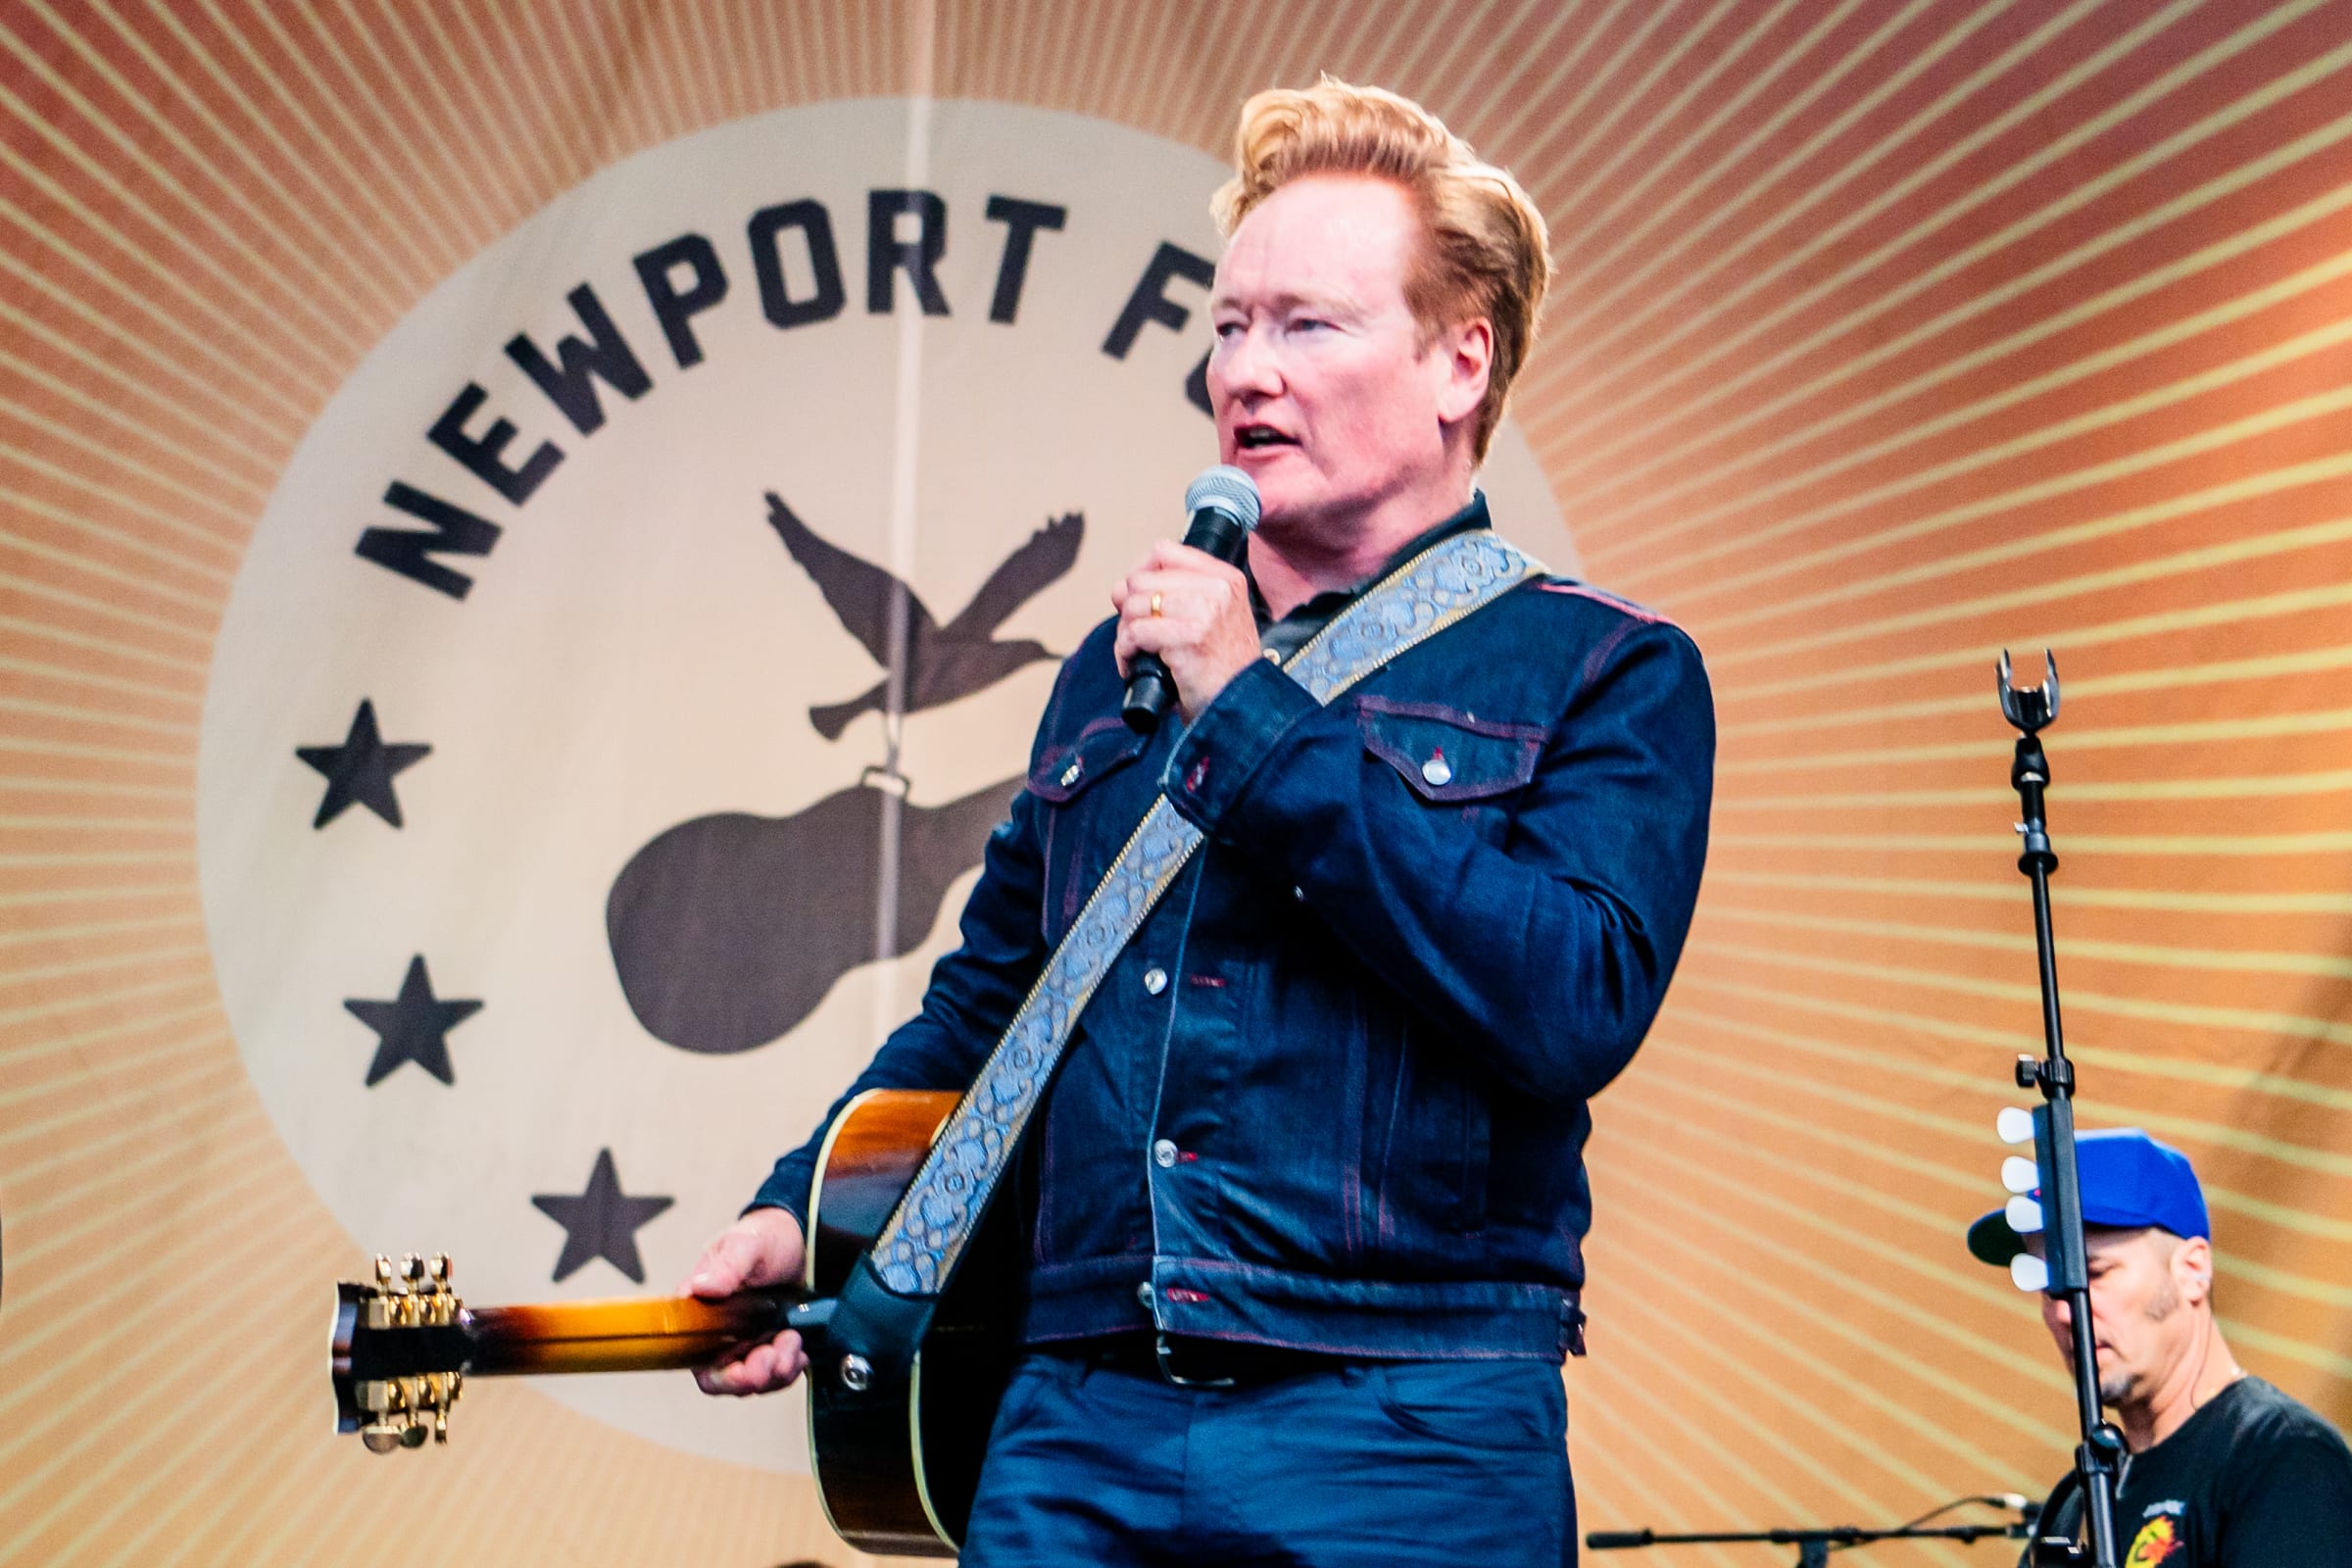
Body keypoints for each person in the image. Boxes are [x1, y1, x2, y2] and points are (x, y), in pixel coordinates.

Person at [687, 77, 1715, 1566]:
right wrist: (802, 1215)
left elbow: (1569, 1005)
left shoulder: (1605, 671)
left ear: (1459, 361)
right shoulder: (1109, 692)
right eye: (1230, 324)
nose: (1247, 371)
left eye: (1309, 325)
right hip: (1076, 1423)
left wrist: (1249, 714)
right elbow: (988, 1016)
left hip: (1406, 1426)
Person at [1967, 1127, 2352, 1564]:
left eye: (2092, 1274)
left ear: (2192, 1269)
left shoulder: (2281, 1457)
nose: (2063, 1312)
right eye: (2049, 1286)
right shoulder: (2077, 1501)